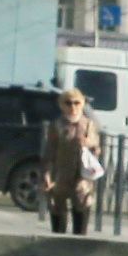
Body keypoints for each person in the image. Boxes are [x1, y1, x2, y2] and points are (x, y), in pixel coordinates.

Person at [39, 91, 100, 237]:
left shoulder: (88, 124)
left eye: (76, 103)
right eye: (68, 103)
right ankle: (59, 242)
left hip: (81, 173)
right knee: (57, 206)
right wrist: (46, 174)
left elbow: (97, 148)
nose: (72, 107)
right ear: (62, 105)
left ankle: (79, 241)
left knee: (82, 202)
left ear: (82, 104)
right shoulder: (57, 125)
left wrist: (89, 143)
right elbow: (49, 151)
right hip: (60, 172)